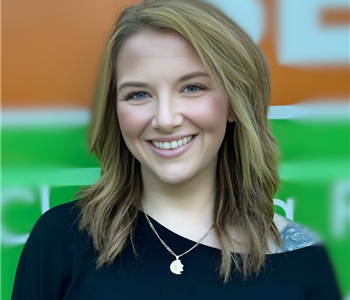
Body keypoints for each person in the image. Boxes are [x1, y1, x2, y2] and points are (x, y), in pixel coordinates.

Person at [11, 0, 341, 299]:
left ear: (233, 104)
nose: (166, 119)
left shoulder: (302, 257)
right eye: (138, 94)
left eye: (192, 87)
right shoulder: (60, 240)